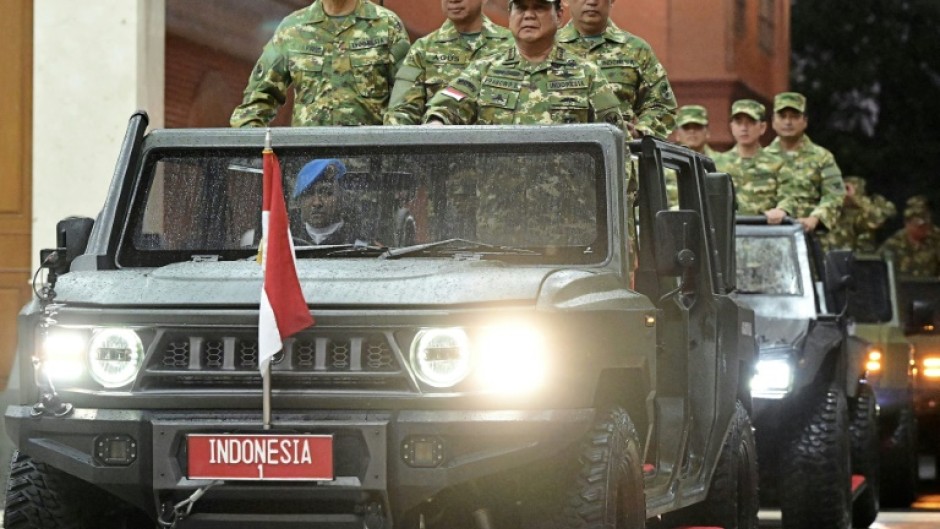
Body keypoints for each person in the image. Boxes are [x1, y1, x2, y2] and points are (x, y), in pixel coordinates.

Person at [422, 0, 624, 127]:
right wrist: (437, 122)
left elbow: (617, 144)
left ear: (559, 15)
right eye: (521, 7)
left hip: (566, 194)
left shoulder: (587, 75)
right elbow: (445, 108)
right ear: (510, 14)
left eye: (539, 7)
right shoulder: (483, 70)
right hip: (497, 193)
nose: (528, 15)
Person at [230, 0, 411, 127]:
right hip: (309, 168)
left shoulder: (386, 25)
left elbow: (408, 99)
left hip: (369, 167)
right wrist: (262, 155)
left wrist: (389, 150)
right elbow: (255, 104)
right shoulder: (293, 29)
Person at [557, 0, 677, 139]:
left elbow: (662, 105)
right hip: (559, 151)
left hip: (618, 153)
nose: (591, 1)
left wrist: (640, 131)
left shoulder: (636, 50)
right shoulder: (547, 49)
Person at [384, 0, 511, 125]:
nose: (454, 1)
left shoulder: (511, 46)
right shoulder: (423, 49)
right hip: (439, 141)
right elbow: (400, 112)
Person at [764, 91, 845, 232]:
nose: (788, 122)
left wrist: (815, 218)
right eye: (782, 116)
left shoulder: (822, 157)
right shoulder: (762, 159)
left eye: (794, 117)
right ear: (773, 122)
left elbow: (835, 195)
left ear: (805, 121)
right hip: (771, 237)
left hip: (811, 237)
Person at [712, 99, 788, 221]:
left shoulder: (777, 164)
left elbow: (789, 196)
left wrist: (782, 210)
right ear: (731, 127)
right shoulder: (716, 164)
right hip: (726, 235)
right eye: (738, 122)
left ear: (762, 127)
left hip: (763, 233)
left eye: (751, 122)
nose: (744, 128)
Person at [292, 159, 366, 245]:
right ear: (299, 201)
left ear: (341, 199)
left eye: (327, 193)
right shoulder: (286, 244)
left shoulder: (359, 246)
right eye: (309, 194)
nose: (317, 203)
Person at [824, 176, 896, 252]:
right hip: (836, 257)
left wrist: (856, 198)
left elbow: (879, 218)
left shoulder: (869, 208)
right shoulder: (837, 211)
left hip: (862, 257)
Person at [878, 202, 940, 277]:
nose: (925, 228)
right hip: (902, 286)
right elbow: (879, 270)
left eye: (927, 224)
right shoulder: (893, 245)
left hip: (930, 286)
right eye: (919, 225)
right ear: (907, 223)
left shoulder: (935, 238)